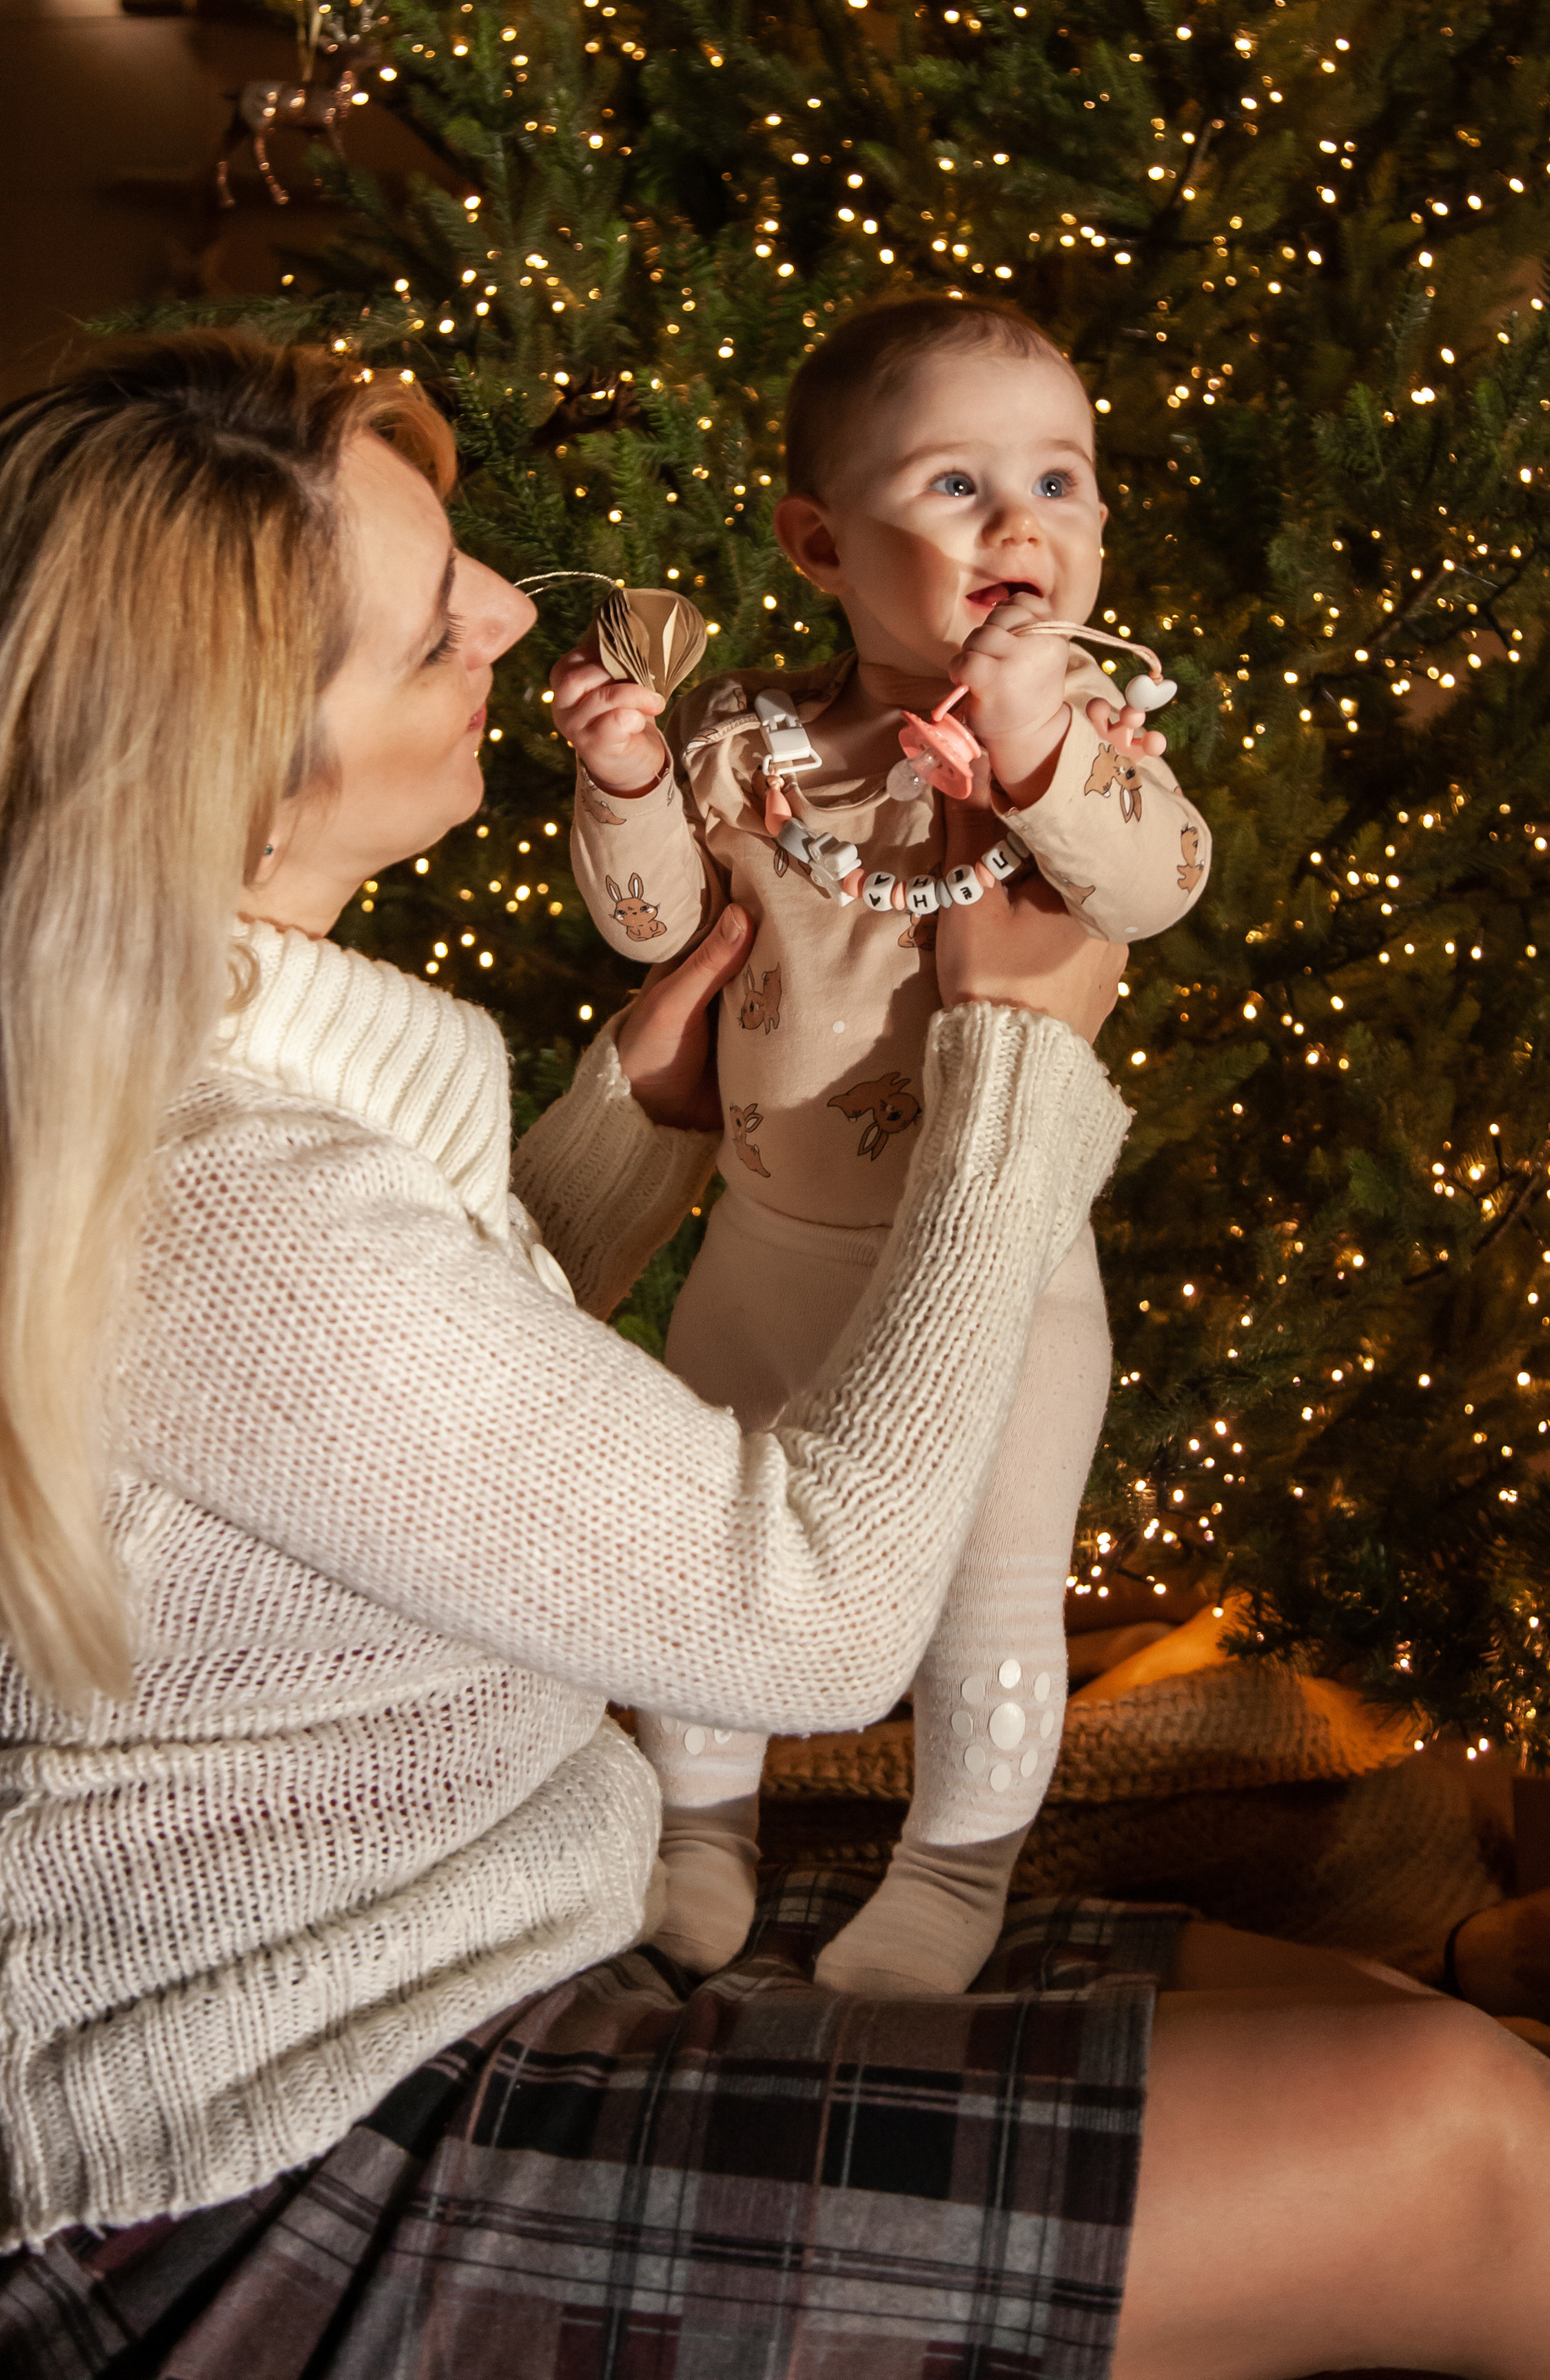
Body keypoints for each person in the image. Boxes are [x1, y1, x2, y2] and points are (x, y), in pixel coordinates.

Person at [0, 333, 1550, 2380]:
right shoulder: (212, 1190)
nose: (514, 610)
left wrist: (639, 1117)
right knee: (1455, 2155)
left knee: (1363, 2019)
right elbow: (799, 1629)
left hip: (472, 1961)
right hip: (248, 2209)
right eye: (435, 631)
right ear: (237, 757)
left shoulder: (129, 1062)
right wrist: (1013, 1077)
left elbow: (383, 1392)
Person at [556, 295, 1211, 1995]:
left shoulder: (1097, 753)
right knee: (711, 1542)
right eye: (953, 485)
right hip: (767, 1238)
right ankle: (699, 1831)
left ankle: (953, 1869)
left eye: (1061, 481)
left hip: (998, 1262)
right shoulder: (750, 747)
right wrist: (627, 777)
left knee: (994, 1579)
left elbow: (1150, 887)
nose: (1021, 524)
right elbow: (647, 934)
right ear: (816, 544)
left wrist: (1042, 748)